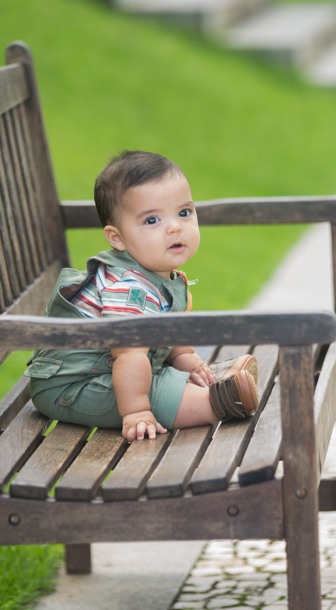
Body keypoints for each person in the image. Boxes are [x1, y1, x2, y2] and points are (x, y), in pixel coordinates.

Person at [25, 150, 259, 441]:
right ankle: (217, 402)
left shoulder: (160, 273)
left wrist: (185, 357)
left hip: (118, 372)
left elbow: (171, 323)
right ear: (117, 238)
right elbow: (130, 356)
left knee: (158, 378)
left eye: (184, 213)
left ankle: (213, 384)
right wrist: (136, 412)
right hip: (73, 387)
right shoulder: (130, 288)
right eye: (152, 221)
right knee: (157, 394)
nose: (175, 227)